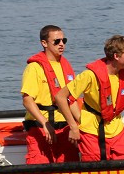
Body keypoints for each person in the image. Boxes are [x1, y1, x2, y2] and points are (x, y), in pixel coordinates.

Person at [55, 35, 124, 162]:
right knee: (94, 172)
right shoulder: (90, 75)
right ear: (116, 56)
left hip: (117, 130)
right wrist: (73, 126)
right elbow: (60, 97)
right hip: (92, 132)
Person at [21, 25, 81, 164]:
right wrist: (45, 124)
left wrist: (80, 125)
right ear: (44, 43)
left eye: (63, 41)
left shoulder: (66, 67)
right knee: (38, 169)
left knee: (70, 168)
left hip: (65, 128)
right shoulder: (34, 68)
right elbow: (27, 100)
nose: (61, 44)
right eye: (56, 41)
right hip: (40, 128)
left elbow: (71, 100)